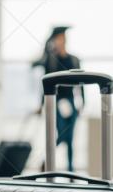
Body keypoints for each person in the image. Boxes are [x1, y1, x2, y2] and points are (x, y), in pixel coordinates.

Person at [33, 25, 84, 172]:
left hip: (71, 102)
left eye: (63, 38)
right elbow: (45, 85)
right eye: (58, 38)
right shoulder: (50, 60)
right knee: (62, 134)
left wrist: (82, 103)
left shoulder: (74, 60)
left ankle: (70, 170)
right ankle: (47, 160)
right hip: (55, 103)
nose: (61, 41)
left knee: (70, 139)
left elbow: (80, 84)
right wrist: (41, 105)